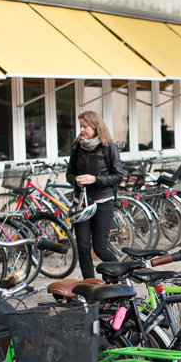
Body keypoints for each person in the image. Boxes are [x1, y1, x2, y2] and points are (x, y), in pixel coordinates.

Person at [66, 110, 123, 280]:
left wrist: (95, 179)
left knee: (100, 248)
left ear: (95, 126)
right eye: (81, 126)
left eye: (85, 126)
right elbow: (70, 173)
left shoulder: (108, 146)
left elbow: (118, 176)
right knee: (83, 247)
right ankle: (90, 285)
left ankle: (119, 276)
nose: (82, 130)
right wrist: (76, 180)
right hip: (82, 203)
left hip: (103, 201)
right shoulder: (77, 146)